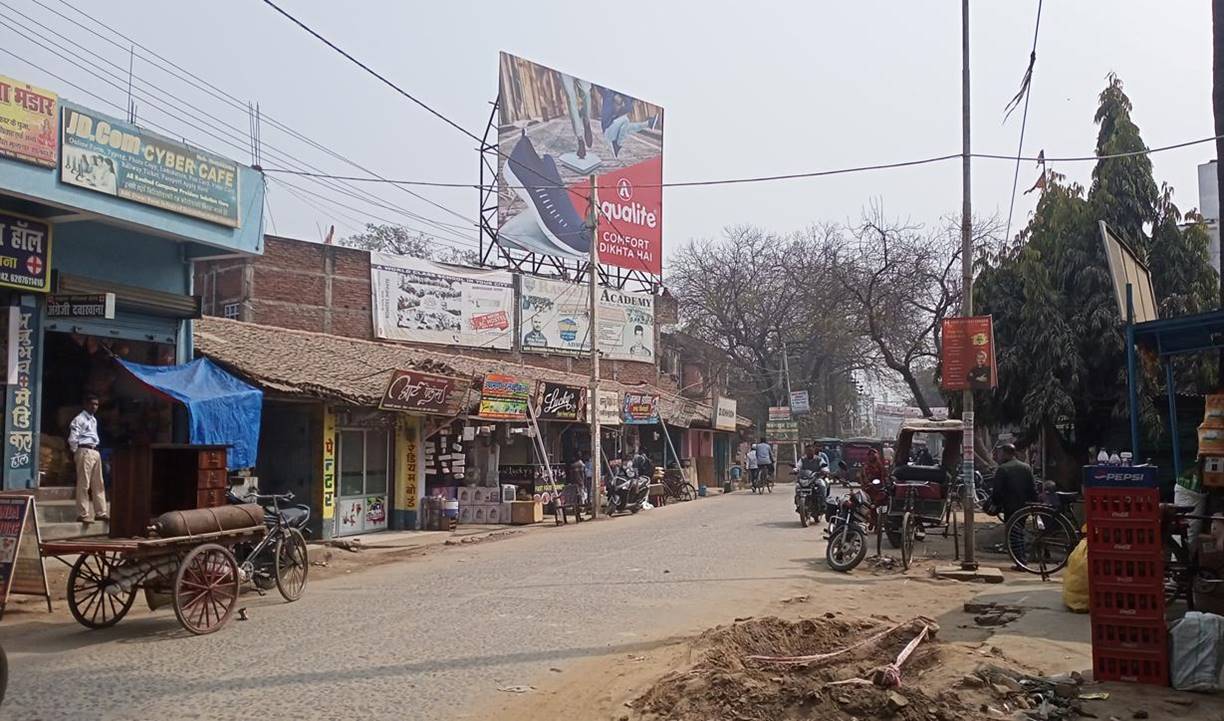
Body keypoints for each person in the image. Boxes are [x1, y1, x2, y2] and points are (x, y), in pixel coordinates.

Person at [989, 443, 1038, 568]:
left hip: (1010, 507)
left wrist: (994, 504)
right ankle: (1022, 560)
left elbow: (997, 491)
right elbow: (1033, 489)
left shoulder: (1003, 469)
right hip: (1024, 507)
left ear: (1006, 454)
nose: (998, 457)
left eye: (999, 454)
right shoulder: (1026, 467)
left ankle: (1021, 562)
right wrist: (1034, 503)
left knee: (1013, 535)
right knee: (1019, 532)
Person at [67, 394, 108, 523]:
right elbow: (73, 437)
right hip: (84, 450)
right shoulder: (79, 419)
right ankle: (83, 514)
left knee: (98, 483)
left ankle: (100, 512)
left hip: (94, 450)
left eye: (96, 404)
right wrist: (76, 451)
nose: (95, 407)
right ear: (86, 404)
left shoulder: (93, 420)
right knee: (84, 484)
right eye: (92, 404)